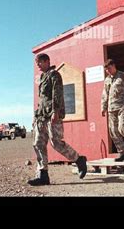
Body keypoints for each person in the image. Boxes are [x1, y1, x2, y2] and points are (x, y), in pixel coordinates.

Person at [28, 53, 87, 186]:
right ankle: (43, 174)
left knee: (56, 143)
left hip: (52, 115)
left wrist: (55, 111)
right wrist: (35, 116)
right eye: (37, 62)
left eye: (40, 62)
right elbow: (42, 100)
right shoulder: (43, 77)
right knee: (38, 144)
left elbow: (57, 94)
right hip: (41, 116)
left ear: (47, 61)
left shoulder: (54, 75)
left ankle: (79, 160)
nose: (37, 65)